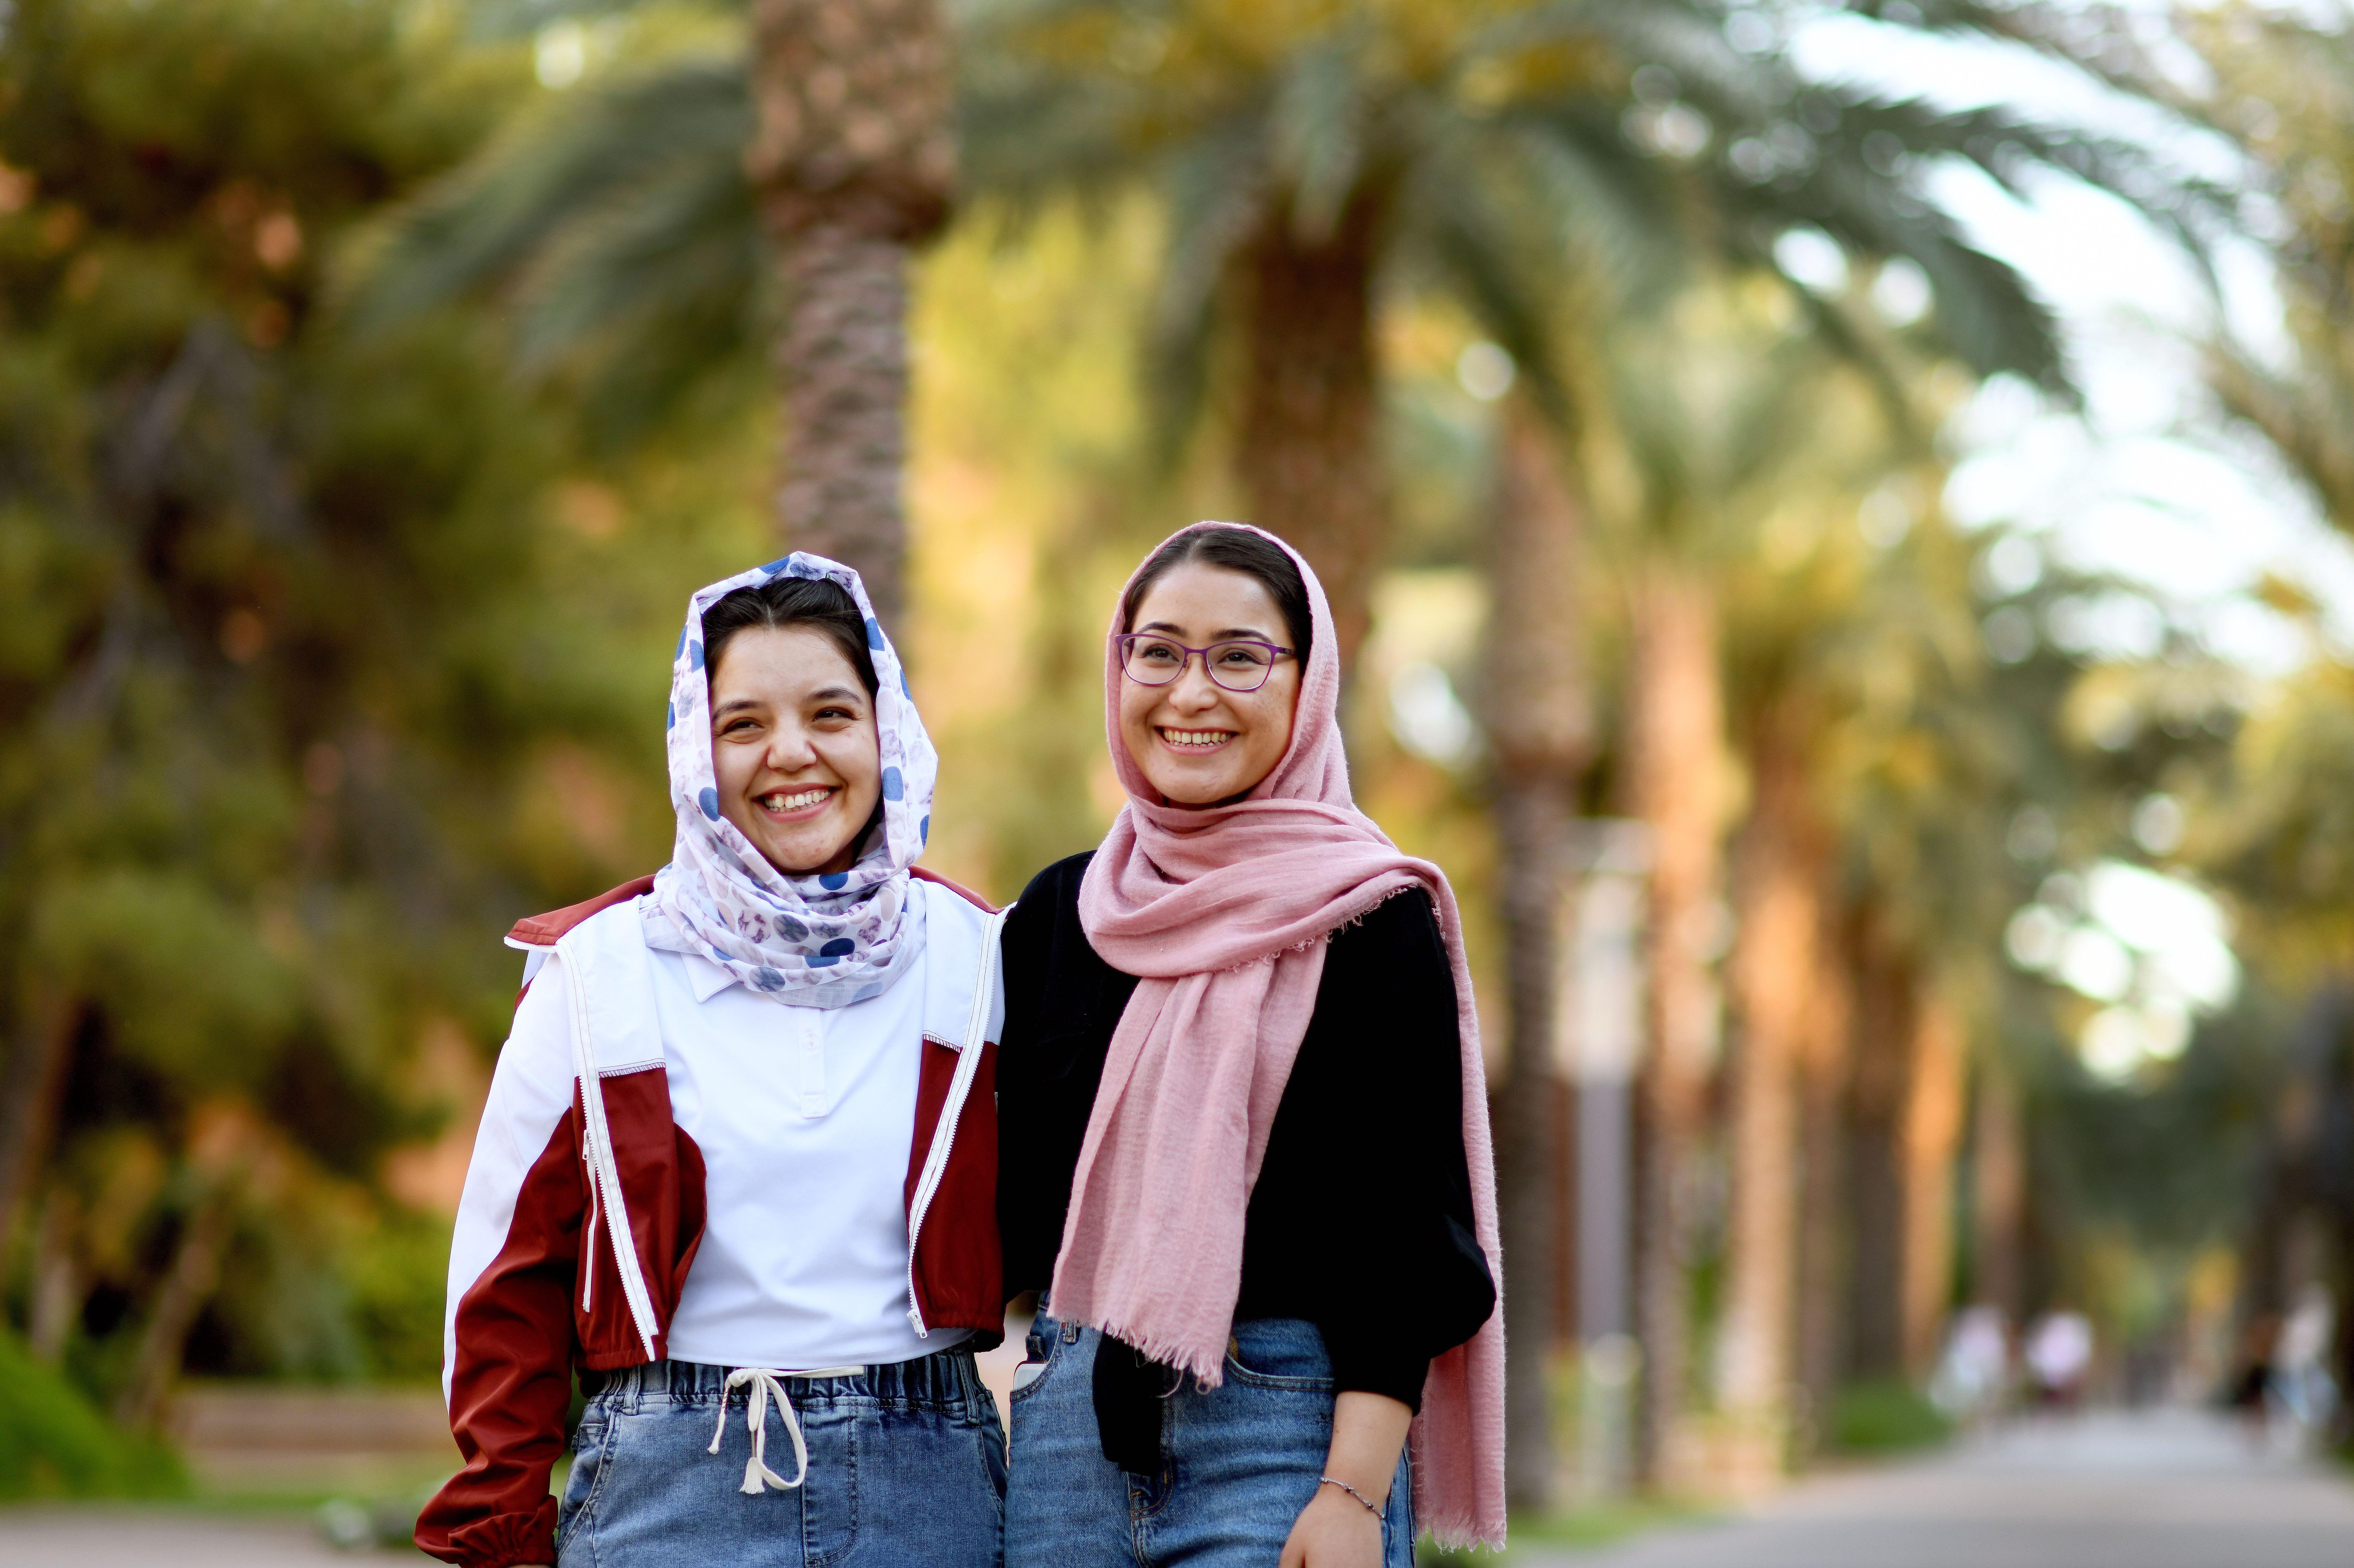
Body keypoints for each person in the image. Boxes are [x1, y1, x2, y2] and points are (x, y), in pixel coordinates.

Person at [415, 556, 1009, 1568]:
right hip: (667, 1487)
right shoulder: (598, 972)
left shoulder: (980, 960)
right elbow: (508, 1277)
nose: (791, 755)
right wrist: (501, 1520)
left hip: (933, 1490)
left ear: (887, 729)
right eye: (743, 725)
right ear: (697, 744)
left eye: (830, 714)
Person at [995, 523, 1506, 1568]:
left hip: (1288, 1435)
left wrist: (1354, 1497)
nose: (1191, 694)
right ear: (1120, 663)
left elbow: (1406, 1243)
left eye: (1239, 656)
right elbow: (1002, 1216)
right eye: (1161, 650)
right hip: (1066, 1443)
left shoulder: (1372, 916)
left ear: (1306, 686)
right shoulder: (1058, 916)